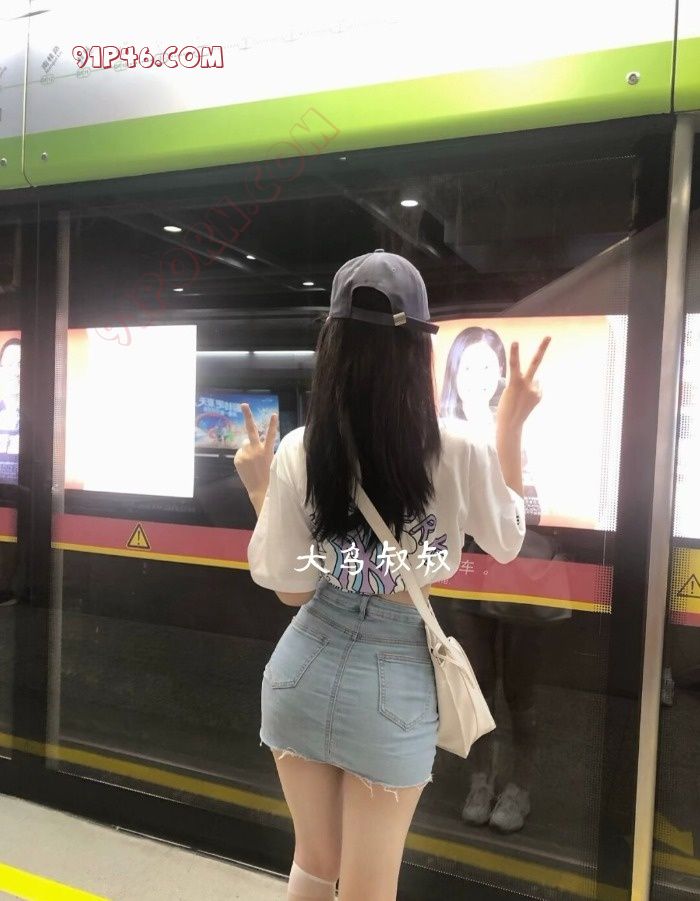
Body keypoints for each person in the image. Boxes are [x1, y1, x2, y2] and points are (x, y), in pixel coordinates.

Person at [234, 249, 550, 901]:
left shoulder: (301, 449)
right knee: (370, 886)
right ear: (420, 351)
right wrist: (512, 425)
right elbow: (508, 538)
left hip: (300, 666)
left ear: (332, 347)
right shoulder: (458, 447)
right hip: (395, 680)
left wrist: (260, 489)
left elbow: (292, 588)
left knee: (314, 862)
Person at [439, 327, 555, 832]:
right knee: (477, 685)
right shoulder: (440, 431)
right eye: (468, 366)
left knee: (520, 691)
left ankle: (520, 787)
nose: (478, 376)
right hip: (466, 575)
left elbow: (537, 511)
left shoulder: (525, 422)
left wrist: (510, 440)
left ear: (501, 373)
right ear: (453, 372)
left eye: (487, 366)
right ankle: (481, 780)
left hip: (523, 576)